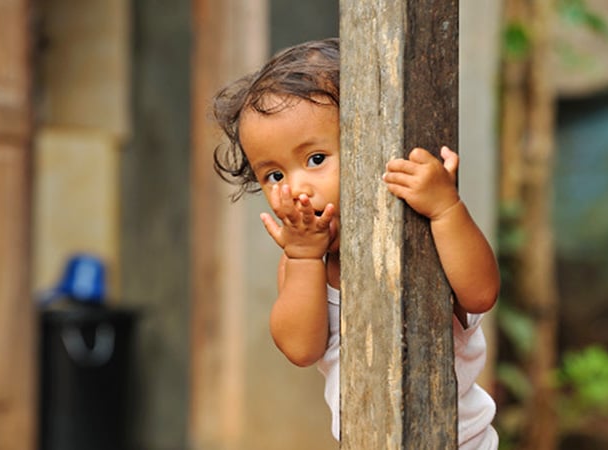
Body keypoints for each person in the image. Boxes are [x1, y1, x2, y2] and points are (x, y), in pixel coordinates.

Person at [211, 38, 500, 449]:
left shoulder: (420, 229)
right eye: (273, 175)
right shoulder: (303, 261)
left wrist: (446, 209)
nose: (294, 188)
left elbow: (481, 293)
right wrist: (303, 257)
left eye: (314, 160)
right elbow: (300, 348)